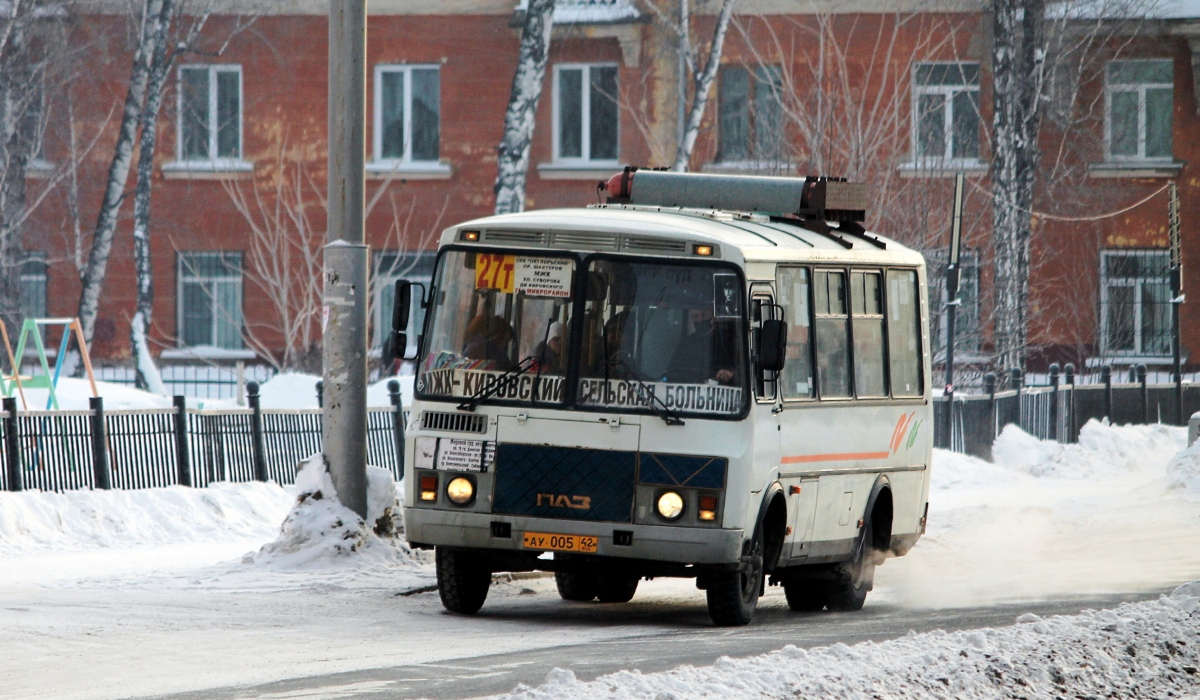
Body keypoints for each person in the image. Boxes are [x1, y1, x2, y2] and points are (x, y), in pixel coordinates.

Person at [664, 305, 737, 385]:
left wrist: (731, 374)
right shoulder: (686, 343)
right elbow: (671, 372)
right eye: (695, 316)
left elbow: (745, 371)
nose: (700, 319)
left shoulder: (729, 339)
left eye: (704, 315)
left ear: (714, 316)